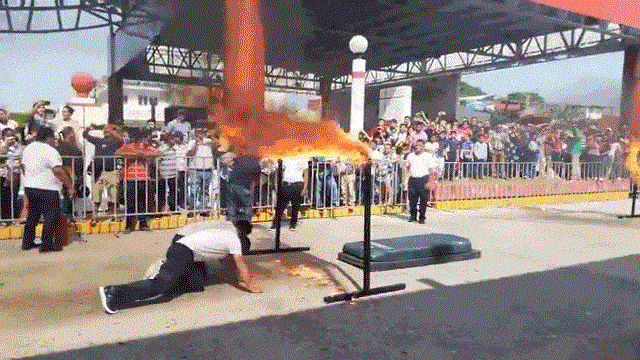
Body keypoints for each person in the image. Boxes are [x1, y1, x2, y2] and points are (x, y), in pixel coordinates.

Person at [98, 219, 261, 314]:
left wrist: (242, 276)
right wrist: (250, 285)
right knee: (162, 285)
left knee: (196, 282)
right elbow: (239, 264)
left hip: (187, 250)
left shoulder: (228, 236)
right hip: (183, 250)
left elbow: (228, 262)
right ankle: (114, 293)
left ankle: (168, 277)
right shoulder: (234, 240)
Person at [21, 127, 73, 252]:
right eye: (53, 138)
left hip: (30, 186)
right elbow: (57, 170)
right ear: (48, 137)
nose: (54, 140)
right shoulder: (50, 151)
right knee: (51, 215)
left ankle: (27, 242)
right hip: (47, 188)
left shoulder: (28, 148)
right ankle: (47, 244)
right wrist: (69, 186)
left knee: (33, 216)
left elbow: (23, 166)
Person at [116, 131, 161, 232]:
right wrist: (136, 155)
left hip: (143, 179)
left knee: (143, 203)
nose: (144, 142)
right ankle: (128, 226)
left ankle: (143, 224)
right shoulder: (129, 146)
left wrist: (143, 154)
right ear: (137, 140)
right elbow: (118, 153)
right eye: (142, 139)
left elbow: (159, 153)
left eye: (145, 140)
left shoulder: (147, 148)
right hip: (130, 179)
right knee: (130, 203)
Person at [83, 124, 124, 221]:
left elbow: (121, 141)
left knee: (112, 195)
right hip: (98, 171)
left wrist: (113, 131)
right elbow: (85, 135)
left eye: (107, 131)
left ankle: (113, 215)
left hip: (111, 171)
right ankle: (95, 215)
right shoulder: (98, 141)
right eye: (105, 131)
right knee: (97, 194)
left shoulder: (115, 142)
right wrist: (89, 128)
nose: (105, 132)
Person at [270, 156, 309, 231]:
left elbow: (306, 174)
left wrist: (304, 188)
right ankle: (275, 224)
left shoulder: (304, 158)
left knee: (295, 206)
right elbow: (280, 169)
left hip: (298, 184)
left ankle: (293, 224)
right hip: (286, 183)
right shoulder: (286, 157)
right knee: (281, 207)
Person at [224, 151, 262, 222]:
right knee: (247, 204)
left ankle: (231, 220)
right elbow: (257, 174)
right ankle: (247, 221)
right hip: (245, 184)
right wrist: (255, 186)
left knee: (232, 203)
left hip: (233, 183)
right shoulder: (254, 161)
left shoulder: (239, 158)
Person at [405, 139, 431, 224]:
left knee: (423, 200)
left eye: (419, 145)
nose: (417, 147)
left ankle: (422, 217)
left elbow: (431, 169)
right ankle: (413, 215)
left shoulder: (427, 156)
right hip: (413, 178)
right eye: (416, 145)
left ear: (423, 146)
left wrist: (430, 180)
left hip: (423, 178)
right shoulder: (410, 156)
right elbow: (407, 167)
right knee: (412, 199)